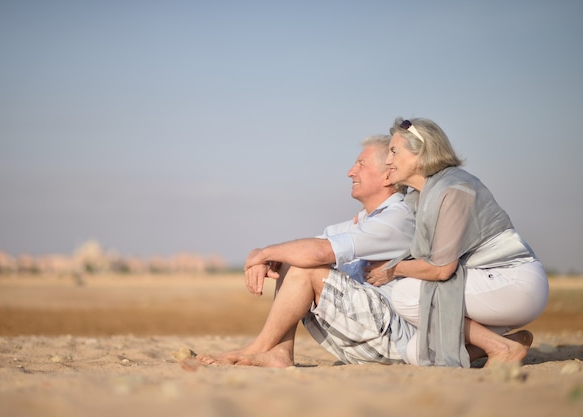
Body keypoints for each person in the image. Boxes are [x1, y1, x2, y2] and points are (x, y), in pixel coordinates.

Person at [197, 135, 416, 367]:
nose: (351, 172)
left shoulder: (396, 217)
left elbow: (319, 253)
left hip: (390, 337)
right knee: (290, 259)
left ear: (388, 174)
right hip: (369, 331)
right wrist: (263, 254)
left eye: (361, 164)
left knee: (307, 268)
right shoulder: (366, 220)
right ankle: (280, 353)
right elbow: (305, 249)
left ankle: (259, 347)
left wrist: (264, 254)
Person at [366, 117, 549, 368]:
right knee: (416, 354)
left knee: (405, 293)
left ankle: (500, 348)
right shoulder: (423, 195)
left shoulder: (454, 188)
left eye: (394, 152)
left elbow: (442, 269)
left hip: (513, 282)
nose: (388, 160)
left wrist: (392, 270)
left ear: (421, 154)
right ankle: (508, 341)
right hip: (488, 285)